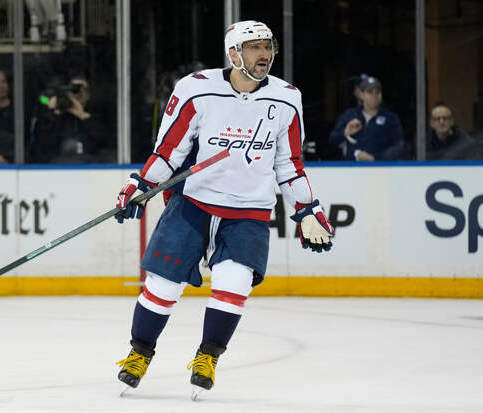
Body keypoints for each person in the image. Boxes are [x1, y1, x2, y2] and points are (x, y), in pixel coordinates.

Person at [113, 20, 335, 398]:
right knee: (162, 285)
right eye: (254, 47)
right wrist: (141, 185)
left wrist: (307, 209)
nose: (264, 54)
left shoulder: (286, 97)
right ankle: (139, 353)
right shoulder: (196, 89)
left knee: (234, 284)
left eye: (267, 47)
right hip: (193, 203)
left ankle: (208, 357)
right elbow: (170, 151)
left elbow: (289, 163)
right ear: (234, 54)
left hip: (248, 210)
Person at [31, 76, 109, 163]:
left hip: (88, 165)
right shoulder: (53, 116)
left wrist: (83, 116)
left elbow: (103, 143)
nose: (78, 94)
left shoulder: (96, 117)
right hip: (57, 165)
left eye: (83, 90)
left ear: (88, 95)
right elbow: (41, 145)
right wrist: (55, 112)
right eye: (73, 90)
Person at [328, 76, 404, 161]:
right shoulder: (349, 115)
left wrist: (374, 158)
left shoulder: (391, 118)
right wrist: (345, 132)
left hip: (380, 168)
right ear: (362, 95)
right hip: (352, 168)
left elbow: (398, 147)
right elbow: (332, 141)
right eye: (370, 92)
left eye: (377, 92)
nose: (374, 95)